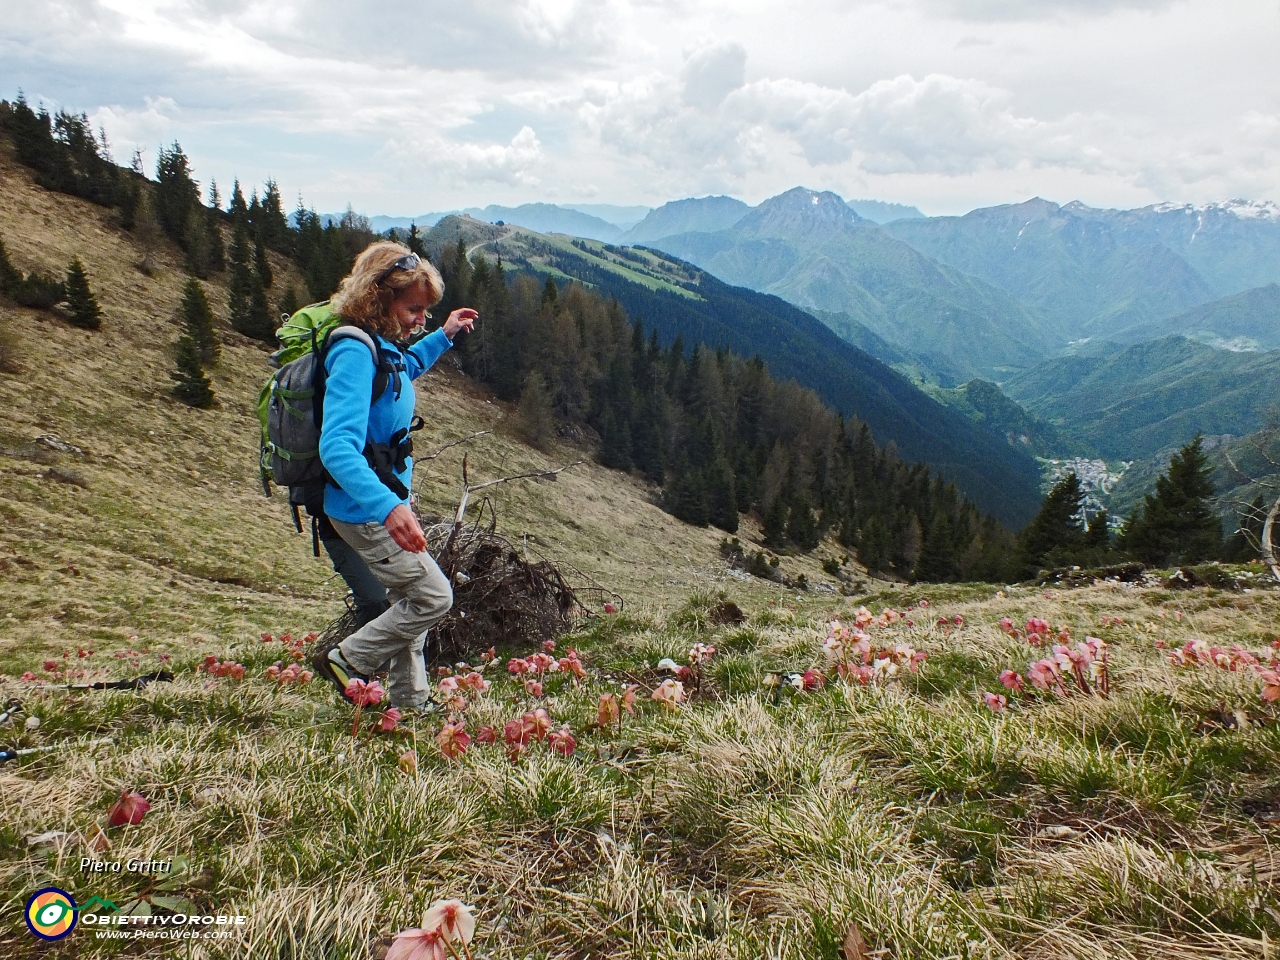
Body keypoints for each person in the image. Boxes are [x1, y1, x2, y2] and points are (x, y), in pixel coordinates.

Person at [311, 241, 478, 712]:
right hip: (365, 509)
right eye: (414, 309)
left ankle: (410, 702)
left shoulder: (381, 347)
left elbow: (404, 370)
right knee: (431, 596)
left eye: (427, 311)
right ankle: (347, 660)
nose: (420, 318)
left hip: (380, 503)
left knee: (409, 598)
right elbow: (336, 447)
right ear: (379, 298)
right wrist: (389, 508)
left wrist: (444, 335)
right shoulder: (354, 351)